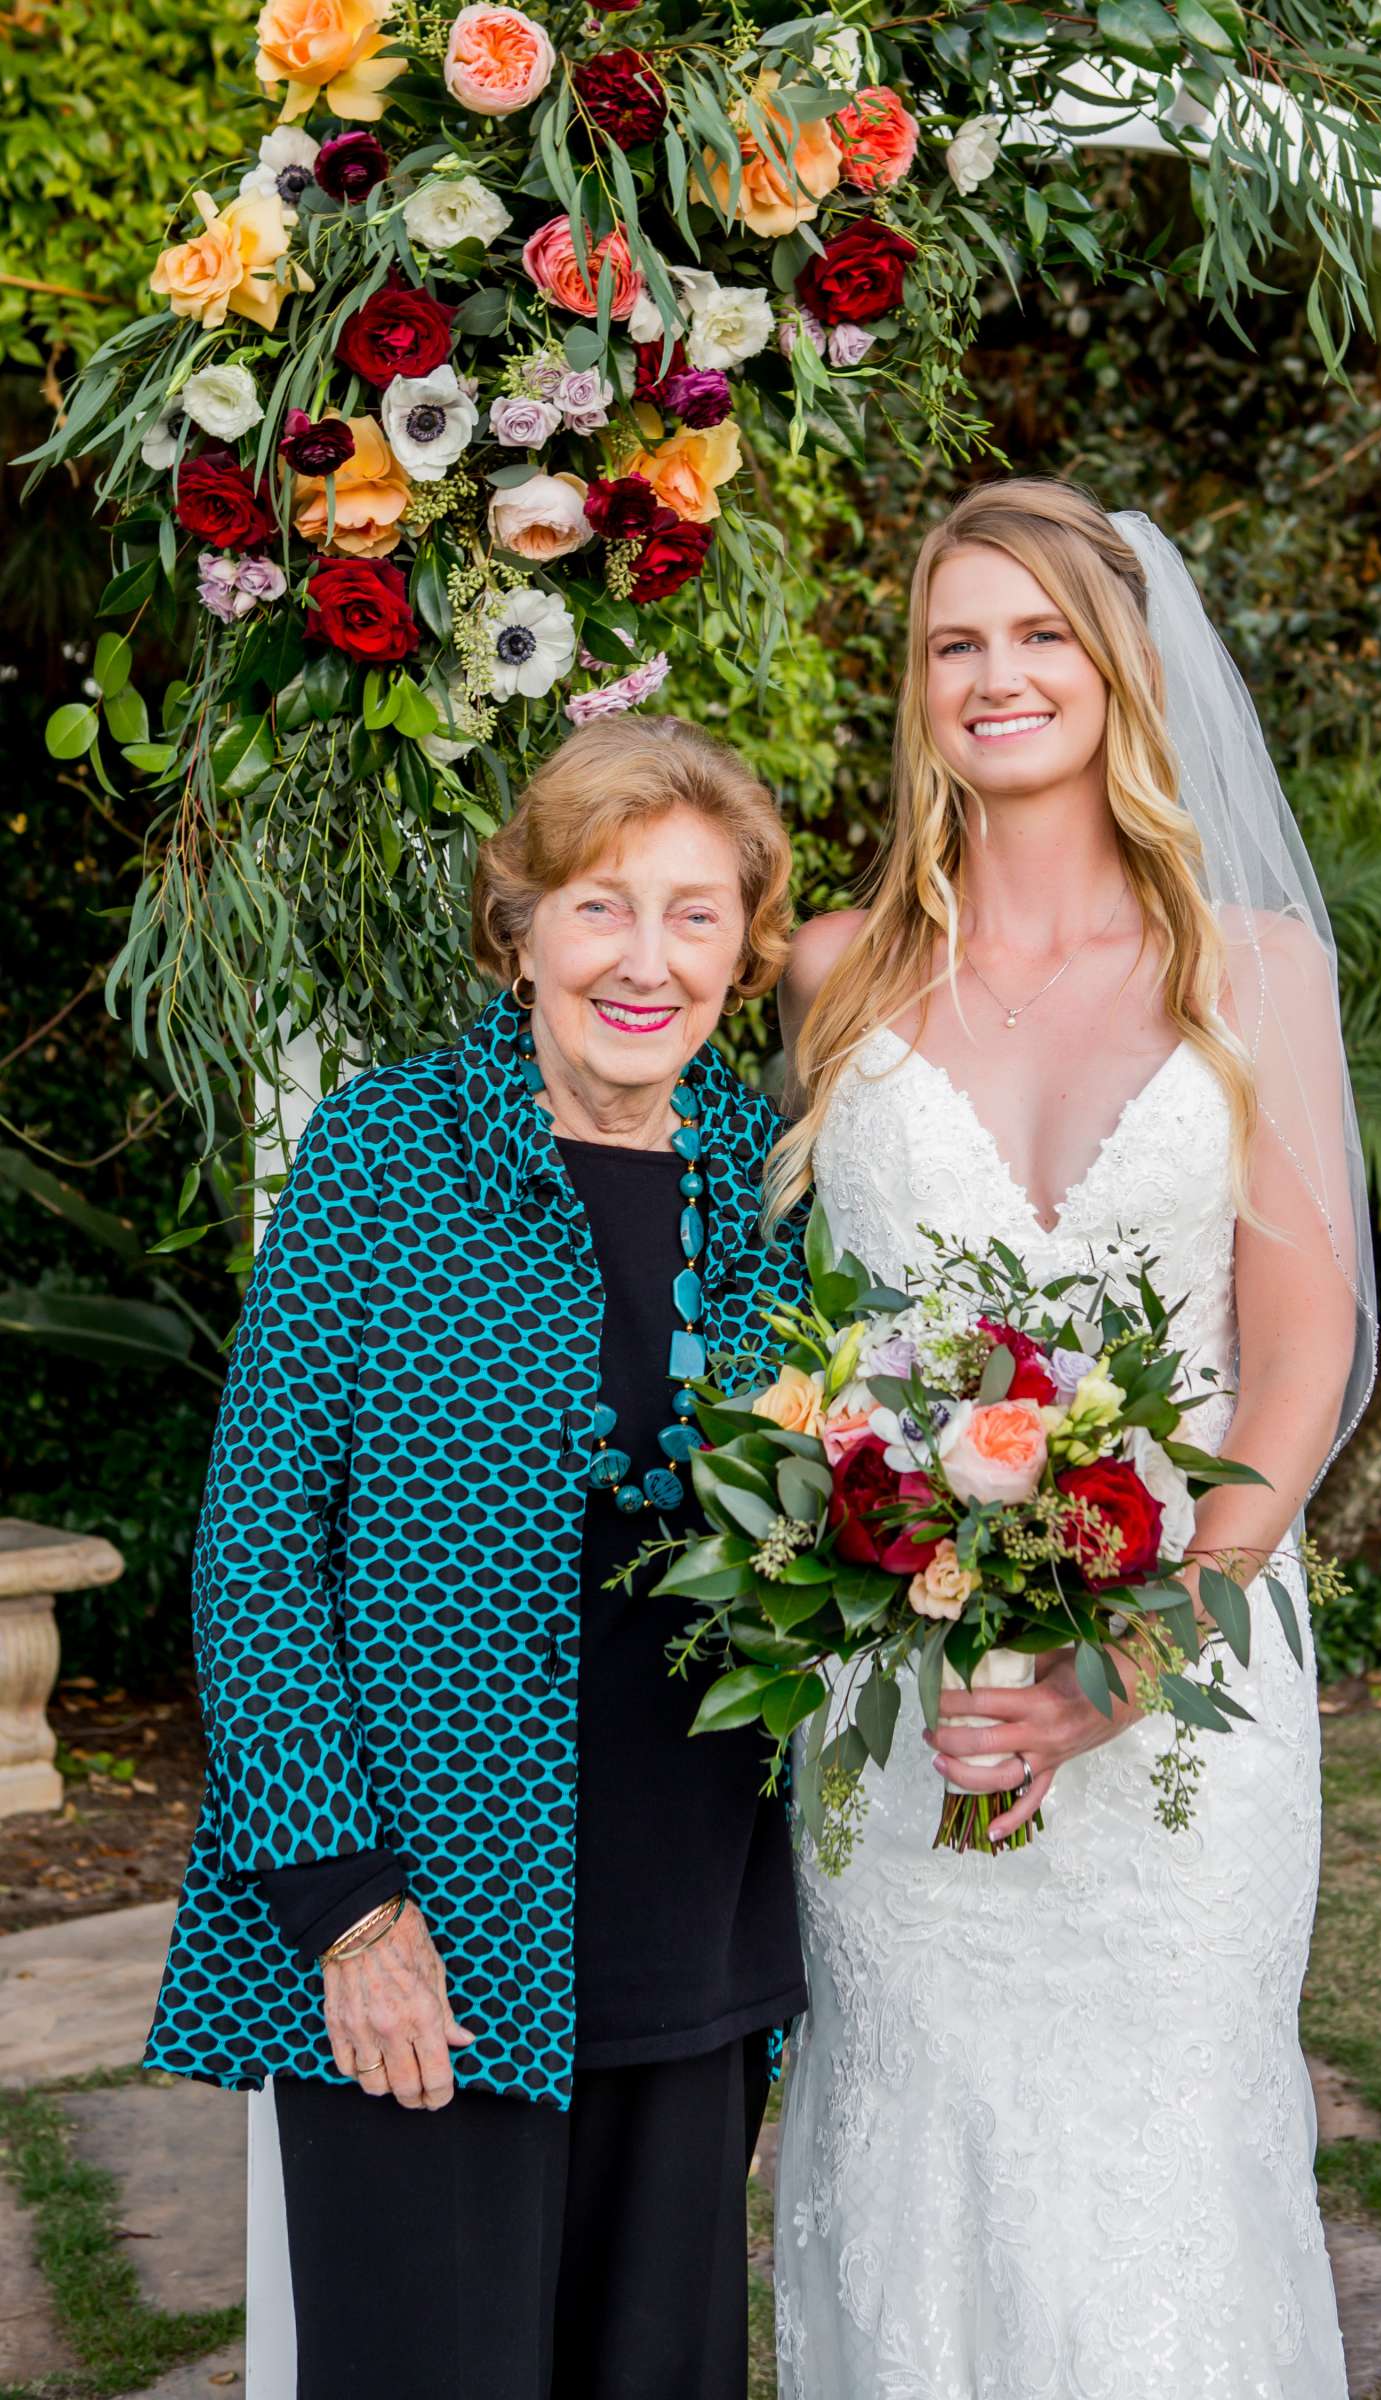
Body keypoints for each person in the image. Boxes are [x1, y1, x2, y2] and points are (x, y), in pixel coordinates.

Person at [771, 478, 1377, 2397]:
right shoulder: (827, 973)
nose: (997, 675)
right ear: (916, 688)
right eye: (957, 640)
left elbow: (1297, 1347)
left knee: (1167, 2165)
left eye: (1040, 634)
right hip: (899, 1696)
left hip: (1185, 1685)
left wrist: (1140, 1646)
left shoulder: (1254, 966)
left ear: (1120, 670)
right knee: (918, 2148)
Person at [144, 713, 811, 2400]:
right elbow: (255, 1553)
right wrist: (350, 1911)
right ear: (517, 931)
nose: (643, 960)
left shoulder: (772, 1180)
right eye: (598, 906)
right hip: (424, 1921)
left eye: (694, 912)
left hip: (692, 1919)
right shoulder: (380, 1159)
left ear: (748, 947)